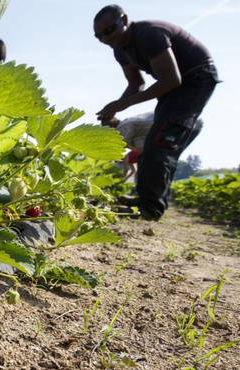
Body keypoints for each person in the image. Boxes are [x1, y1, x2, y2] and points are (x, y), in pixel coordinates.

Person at [93, 5, 219, 221]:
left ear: (123, 19)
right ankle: (147, 200)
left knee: (161, 141)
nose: (106, 37)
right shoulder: (120, 50)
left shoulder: (149, 34)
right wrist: (115, 105)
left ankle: (150, 209)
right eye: (99, 36)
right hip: (173, 86)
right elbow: (136, 83)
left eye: (109, 30)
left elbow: (171, 79)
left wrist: (123, 105)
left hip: (195, 78)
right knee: (156, 141)